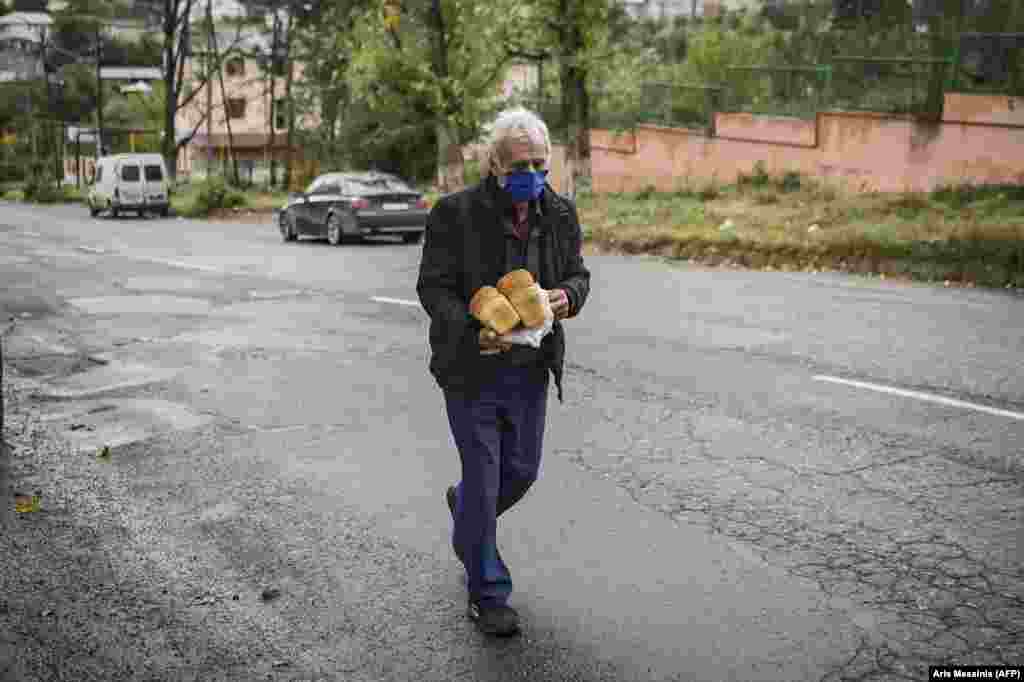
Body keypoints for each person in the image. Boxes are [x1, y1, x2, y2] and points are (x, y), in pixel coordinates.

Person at [416, 107, 590, 637]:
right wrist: (472, 334)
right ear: (494, 163)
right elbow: (434, 288)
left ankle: (466, 502)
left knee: (521, 473)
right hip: (471, 370)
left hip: (531, 369)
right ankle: (488, 592)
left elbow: (579, 275)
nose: (531, 175)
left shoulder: (559, 214)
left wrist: (568, 296)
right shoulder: (455, 213)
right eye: (520, 165)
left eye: (540, 164)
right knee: (488, 474)